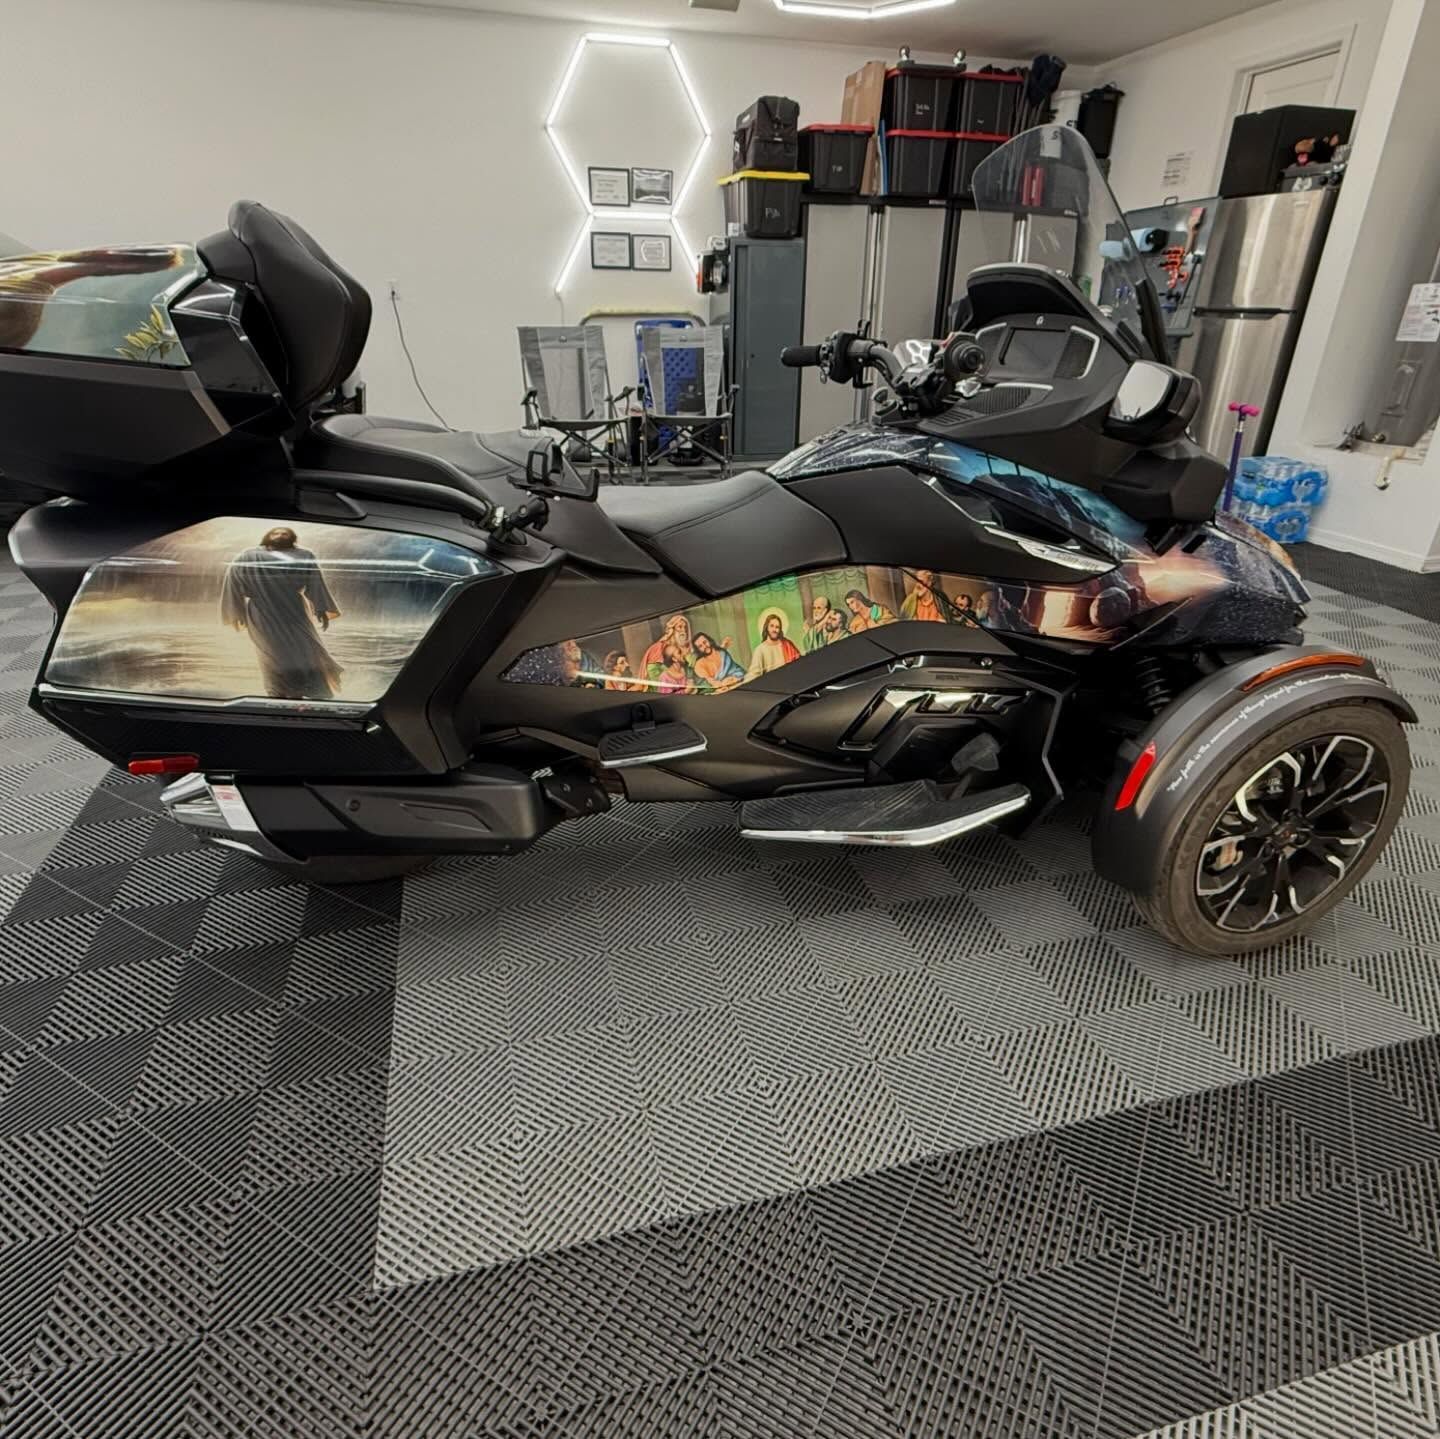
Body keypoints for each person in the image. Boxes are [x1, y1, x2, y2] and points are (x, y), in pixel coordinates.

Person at [220, 526, 344, 700]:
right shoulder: (248, 555)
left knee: (307, 649)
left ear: (292, 537)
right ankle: (279, 694)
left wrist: (321, 609)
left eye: (284, 533)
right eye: (275, 533)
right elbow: (232, 582)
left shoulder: (305, 555)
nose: (279, 536)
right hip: (262, 612)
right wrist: (236, 611)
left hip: (294, 610)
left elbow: (315, 582)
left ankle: (315, 691)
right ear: (267, 536)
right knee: (272, 653)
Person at [744, 612, 801, 680]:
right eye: (772, 626)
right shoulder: (760, 650)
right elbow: (753, 674)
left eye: (777, 627)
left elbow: (799, 663)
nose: (774, 630)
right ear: (767, 627)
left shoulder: (787, 644)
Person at [642, 614, 693, 683]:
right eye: (680, 627)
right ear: (672, 630)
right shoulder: (658, 647)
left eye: (685, 628)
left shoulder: (686, 649)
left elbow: (691, 672)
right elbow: (652, 671)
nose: (683, 631)